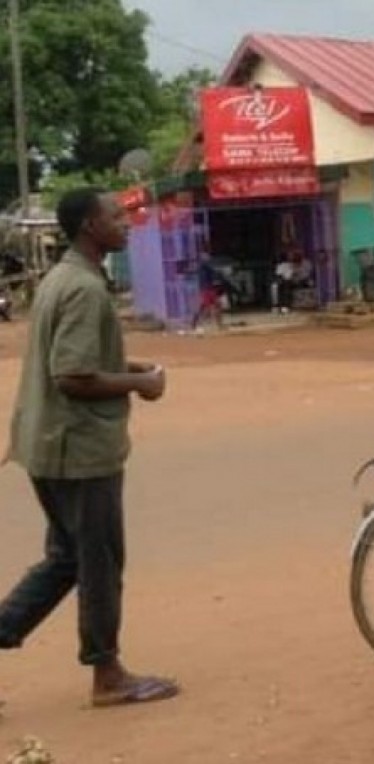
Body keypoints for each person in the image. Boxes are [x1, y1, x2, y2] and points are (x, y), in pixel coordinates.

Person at [0, 187, 179, 708]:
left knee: (66, 558)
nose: (126, 223)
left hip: (46, 441)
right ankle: (107, 673)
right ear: (88, 228)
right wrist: (138, 385)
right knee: (98, 559)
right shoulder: (84, 288)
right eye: (115, 216)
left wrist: (129, 367)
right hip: (77, 449)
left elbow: (76, 360)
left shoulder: (63, 277)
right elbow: (72, 375)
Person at [191, 249, 225, 332]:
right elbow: (213, 272)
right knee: (206, 308)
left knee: (216, 305)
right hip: (206, 289)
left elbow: (214, 274)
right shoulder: (202, 266)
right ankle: (196, 323)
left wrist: (218, 277)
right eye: (205, 256)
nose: (208, 257)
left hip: (209, 289)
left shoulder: (207, 267)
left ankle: (219, 325)